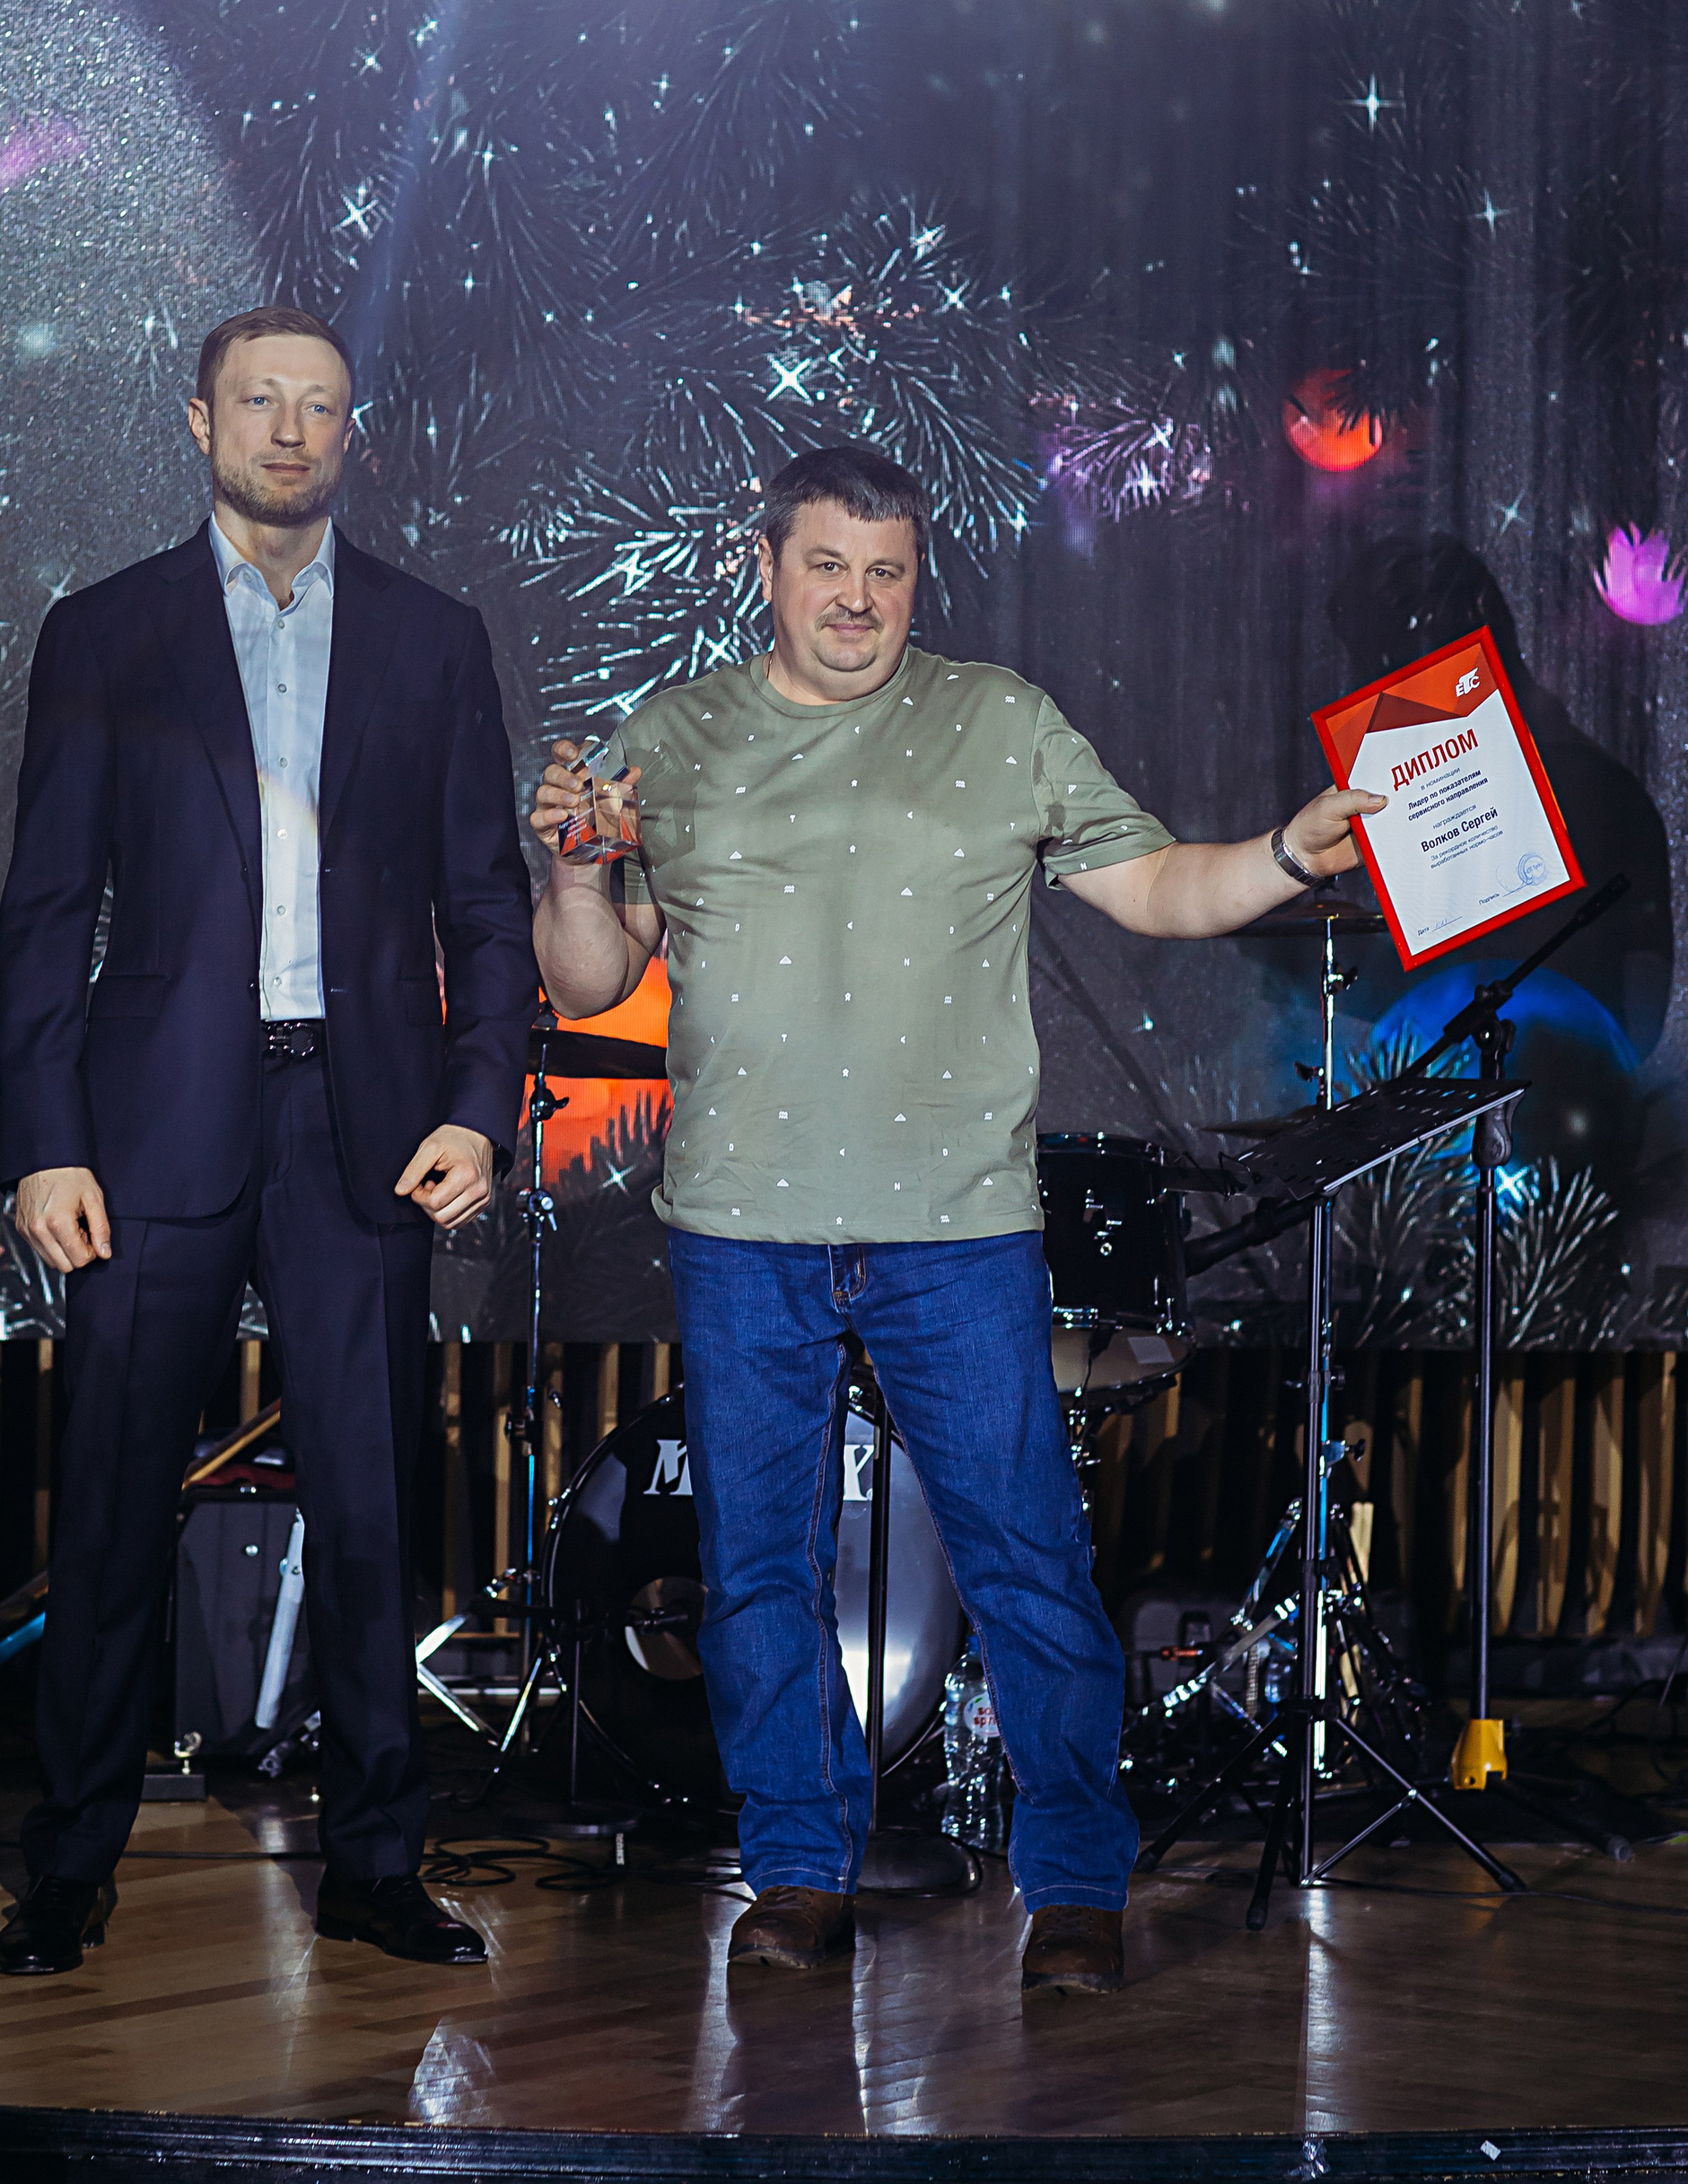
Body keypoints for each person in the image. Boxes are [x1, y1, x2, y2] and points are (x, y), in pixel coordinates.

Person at [529, 444, 1382, 1997]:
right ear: (766, 565)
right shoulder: (677, 736)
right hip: (741, 1230)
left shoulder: (1000, 722)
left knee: (1029, 1561)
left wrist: (1281, 854)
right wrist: (580, 873)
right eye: (826, 566)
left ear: (918, 578)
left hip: (955, 1230)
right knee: (755, 1575)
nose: (857, 600)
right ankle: (800, 1875)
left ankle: (1075, 1888)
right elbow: (591, 978)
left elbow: (1157, 889)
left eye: (888, 571)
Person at [0, 306, 536, 1977]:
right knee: (110, 1509)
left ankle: (375, 1864)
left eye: (319, 406)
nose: (290, 431)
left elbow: (487, 904)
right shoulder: (106, 631)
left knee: (373, 1512)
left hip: (365, 1126)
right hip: (149, 1124)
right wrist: (42, 1141)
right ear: (200, 421)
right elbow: (47, 909)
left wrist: (478, 1105)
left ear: (350, 432)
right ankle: (70, 1866)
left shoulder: (434, 639)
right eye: (259, 403)